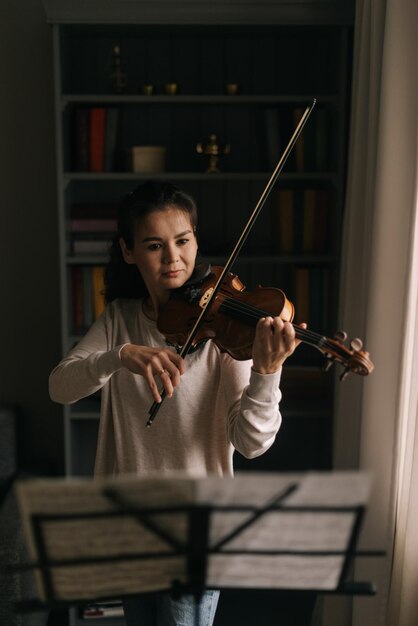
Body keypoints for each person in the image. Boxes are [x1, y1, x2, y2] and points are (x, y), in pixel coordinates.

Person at [49, 180, 304, 626]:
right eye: (154, 245)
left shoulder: (225, 332)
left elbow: (251, 443)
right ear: (128, 252)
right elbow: (60, 387)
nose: (173, 258)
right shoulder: (119, 321)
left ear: (195, 242)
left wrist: (267, 372)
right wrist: (120, 356)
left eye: (183, 241)